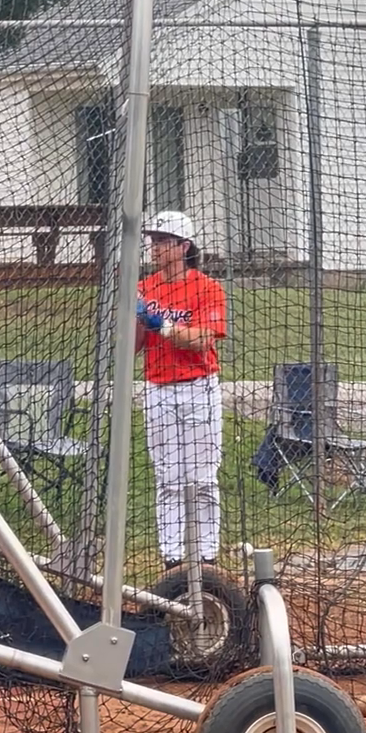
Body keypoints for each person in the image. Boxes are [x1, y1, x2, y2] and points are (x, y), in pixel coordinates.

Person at [135, 209, 227, 567]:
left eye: (162, 241)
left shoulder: (206, 287)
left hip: (198, 387)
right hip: (158, 388)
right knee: (168, 476)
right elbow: (134, 347)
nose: (154, 247)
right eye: (153, 241)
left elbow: (202, 340)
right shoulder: (146, 287)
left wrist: (162, 323)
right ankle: (172, 556)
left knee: (202, 478)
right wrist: (135, 316)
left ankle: (206, 555)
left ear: (182, 246)